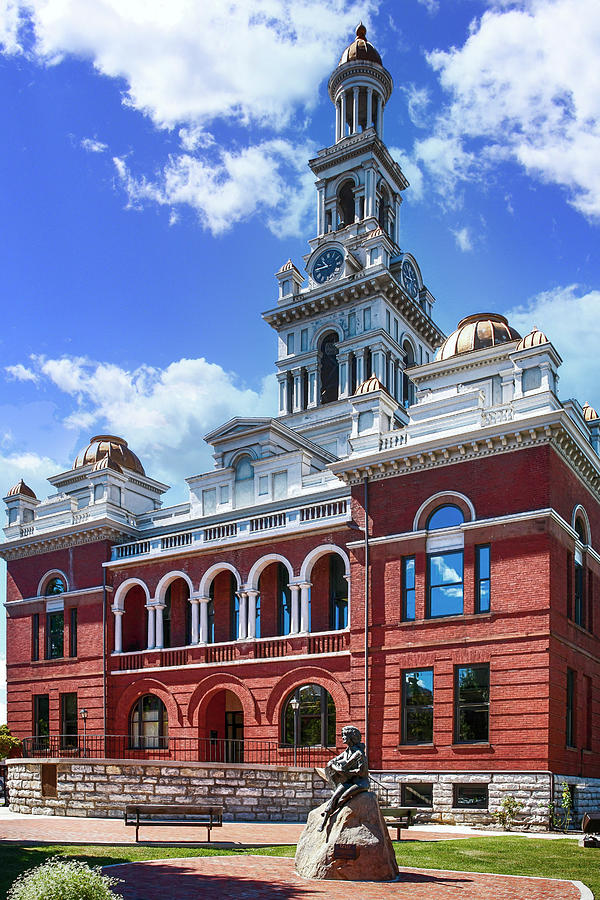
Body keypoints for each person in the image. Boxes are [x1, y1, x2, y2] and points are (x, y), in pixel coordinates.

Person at [318, 725, 369, 831]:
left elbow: (362, 772)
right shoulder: (346, 752)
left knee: (344, 796)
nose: (342, 738)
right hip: (349, 782)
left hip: (360, 783)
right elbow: (331, 762)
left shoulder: (359, 754)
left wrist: (345, 772)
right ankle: (324, 821)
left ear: (351, 737)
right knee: (335, 795)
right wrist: (337, 769)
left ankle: (333, 812)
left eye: (345, 735)